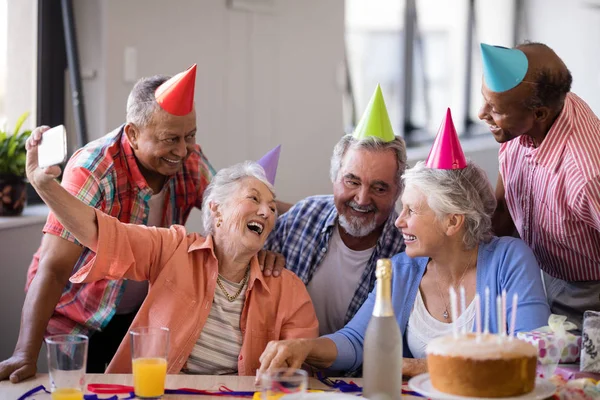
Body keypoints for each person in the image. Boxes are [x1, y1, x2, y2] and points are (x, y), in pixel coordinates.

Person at [0, 65, 284, 382]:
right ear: (133, 134)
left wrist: (282, 220)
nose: (183, 150)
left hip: (143, 315)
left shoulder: (189, 159)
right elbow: (52, 268)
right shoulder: (93, 169)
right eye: (170, 139)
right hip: (81, 319)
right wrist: (25, 352)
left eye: (190, 136)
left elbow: (231, 211)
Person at [257, 109, 550, 377]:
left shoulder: (510, 260)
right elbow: (358, 340)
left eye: (411, 211)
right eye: (402, 209)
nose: (398, 222)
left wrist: (417, 366)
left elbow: (533, 353)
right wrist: (305, 348)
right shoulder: (402, 269)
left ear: (452, 221)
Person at [23, 129, 318, 375]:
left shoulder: (287, 288)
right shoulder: (173, 249)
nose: (266, 210)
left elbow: (298, 367)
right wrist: (44, 186)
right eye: (254, 198)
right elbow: (98, 232)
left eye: (271, 206)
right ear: (216, 210)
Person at [264, 85, 406, 335]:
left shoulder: (406, 252)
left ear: (397, 191)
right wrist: (257, 260)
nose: (362, 199)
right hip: (291, 369)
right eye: (352, 181)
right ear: (334, 177)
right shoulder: (302, 218)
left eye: (379, 188)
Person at [479, 42, 600, 330]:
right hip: (537, 272)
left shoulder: (587, 174)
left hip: (587, 294)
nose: (481, 113)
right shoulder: (523, 121)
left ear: (540, 114)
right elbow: (503, 212)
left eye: (494, 109)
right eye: (484, 99)